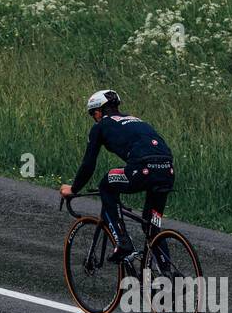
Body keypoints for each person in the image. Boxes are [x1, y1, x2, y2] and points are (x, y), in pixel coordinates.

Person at [60, 89, 174, 263]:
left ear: (98, 112)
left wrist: (73, 188)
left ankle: (122, 242)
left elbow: (88, 164)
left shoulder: (100, 126)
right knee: (151, 225)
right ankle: (168, 273)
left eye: (93, 114)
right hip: (167, 171)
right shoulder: (136, 120)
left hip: (142, 170)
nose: (94, 118)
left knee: (106, 184)